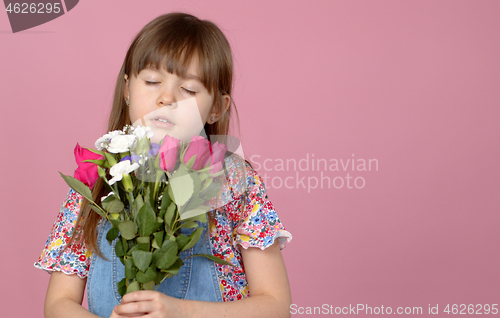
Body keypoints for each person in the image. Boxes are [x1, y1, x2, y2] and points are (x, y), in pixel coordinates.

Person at [35, 12, 292, 318]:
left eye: (190, 90)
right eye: (153, 81)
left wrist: (180, 312)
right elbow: (58, 304)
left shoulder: (234, 181)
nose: (167, 98)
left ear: (216, 108)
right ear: (128, 89)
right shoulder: (98, 181)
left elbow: (276, 306)